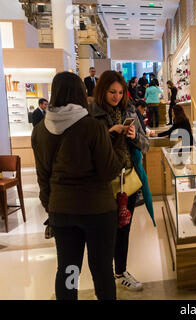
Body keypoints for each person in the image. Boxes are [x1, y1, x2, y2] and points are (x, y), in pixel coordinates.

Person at [31, 71, 127, 300]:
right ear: (81, 94)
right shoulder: (92, 127)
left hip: (62, 212)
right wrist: (117, 141)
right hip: (98, 211)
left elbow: (42, 177)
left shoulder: (40, 131)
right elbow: (109, 170)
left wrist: (51, 207)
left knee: (68, 269)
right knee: (102, 270)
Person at [89, 70, 149, 292]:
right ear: (102, 90)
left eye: (120, 92)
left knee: (124, 228)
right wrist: (110, 133)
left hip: (128, 181)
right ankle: (104, 277)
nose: (116, 96)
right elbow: (88, 150)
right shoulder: (92, 114)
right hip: (104, 183)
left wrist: (134, 137)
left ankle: (120, 271)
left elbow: (146, 144)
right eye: (112, 91)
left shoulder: (130, 110)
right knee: (105, 232)